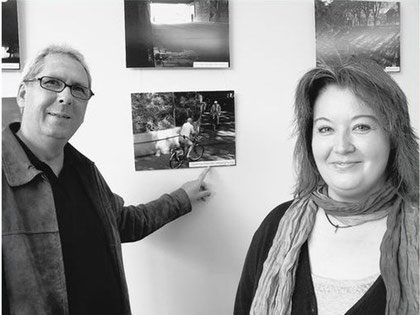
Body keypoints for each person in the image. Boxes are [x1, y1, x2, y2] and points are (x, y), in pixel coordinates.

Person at [2, 45, 212, 315]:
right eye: (52, 82)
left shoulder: (84, 171)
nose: (66, 97)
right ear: (23, 93)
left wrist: (183, 198)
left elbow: (123, 223)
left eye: (78, 89)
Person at [234, 58, 419, 315]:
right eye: (325, 129)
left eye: (361, 127)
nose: (342, 146)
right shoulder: (275, 226)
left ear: (393, 136)